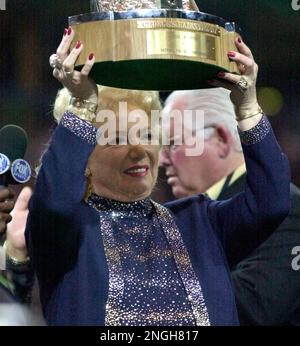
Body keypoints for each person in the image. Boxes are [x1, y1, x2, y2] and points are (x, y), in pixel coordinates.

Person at [19, 28, 290, 325]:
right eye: (117, 138)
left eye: (147, 134)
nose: (138, 150)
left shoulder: (200, 222)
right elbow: (56, 202)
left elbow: (272, 203)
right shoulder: (67, 232)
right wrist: (84, 104)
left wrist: (248, 108)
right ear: (83, 157)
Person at [160, 88, 300, 325]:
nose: (162, 159)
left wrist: (144, 291)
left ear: (221, 140)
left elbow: (254, 307)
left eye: (173, 144)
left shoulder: (286, 208)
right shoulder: (180, 215)